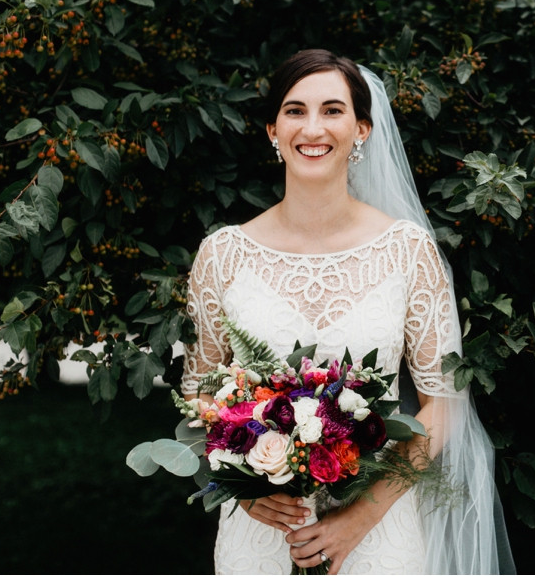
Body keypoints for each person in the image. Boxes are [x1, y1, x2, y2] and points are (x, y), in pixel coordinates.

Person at [182, 49, 512, 575]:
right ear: (272, 129)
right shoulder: (223, 255)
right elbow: (198, 396)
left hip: (378, 534)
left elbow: (444, 405)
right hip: (262, 534)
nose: (313, 127)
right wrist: (245, 493)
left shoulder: (408, 252)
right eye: (295, 110)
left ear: (361, 129)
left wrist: (358, 518)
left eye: (332, 110)